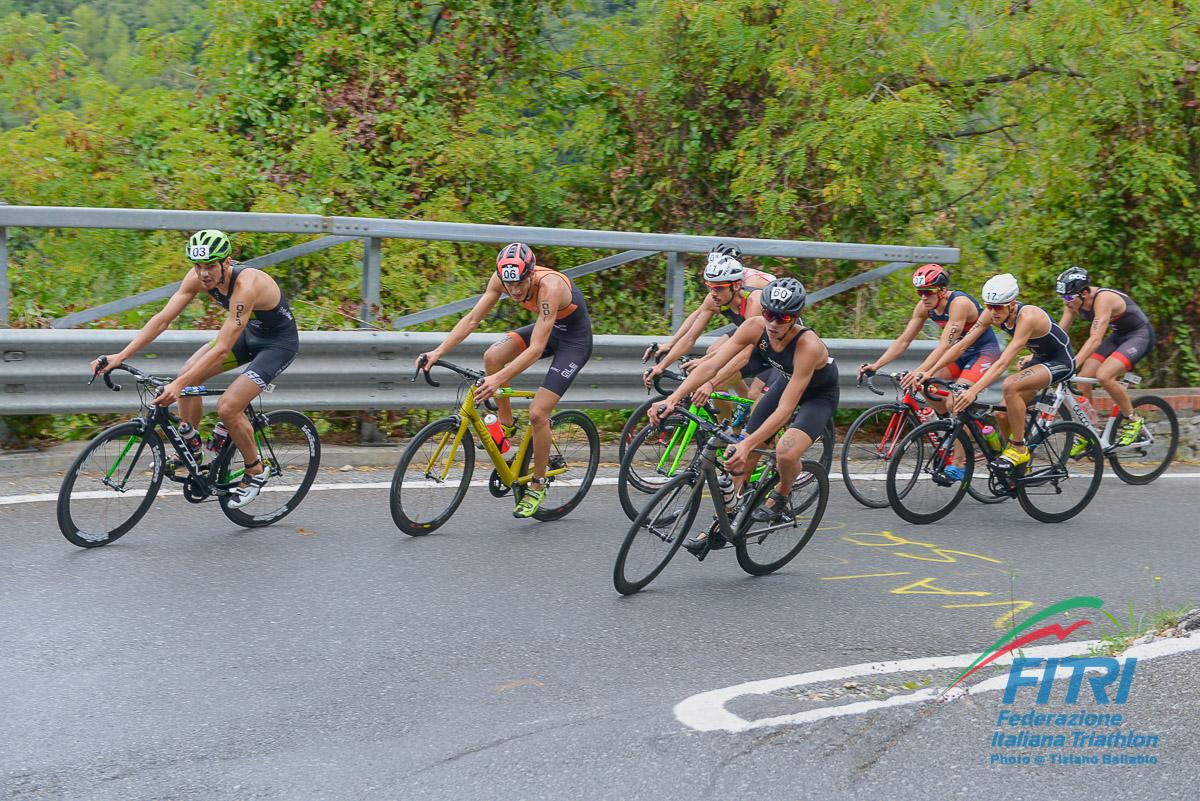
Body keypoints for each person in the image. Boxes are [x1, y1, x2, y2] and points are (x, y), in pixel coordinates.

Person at [91, 230, 300, 508]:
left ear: (226, 262)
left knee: (228, 406)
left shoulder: (246, 285)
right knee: (187, 376)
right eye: (198, 266)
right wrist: (120, 355)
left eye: (210, 266)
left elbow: (223, 348)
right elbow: (163, 319)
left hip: (277, 345)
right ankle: (193, 447)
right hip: (248, 335)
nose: (203, 274)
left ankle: (256, 471)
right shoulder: (198, 278)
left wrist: (177, 387)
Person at [649, 277, 838, 558]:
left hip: (817, 395)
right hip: (785, 383)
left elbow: (786, 410)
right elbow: (713, 365)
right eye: (769, 314)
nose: (773, 323)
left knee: (785, 451)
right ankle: (723, 522)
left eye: (783, 316)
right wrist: (672, 399)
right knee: (739, 458)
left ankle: (782, 493)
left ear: (796, 317)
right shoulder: (754, 328)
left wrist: (748, 444)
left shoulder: (807, 345)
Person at [416, 242, 593, 519]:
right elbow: (473, 319)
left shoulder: (550, 287)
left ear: (531, 273)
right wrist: (438, 351)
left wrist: (497, 380)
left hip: (574, 342)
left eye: (521, 283)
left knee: (538, 413)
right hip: (547, 329)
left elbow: (536, 350)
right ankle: (507, 426)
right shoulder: (501, 279)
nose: (516, 291)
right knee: (492, 357)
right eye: (510, 285)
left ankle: (537, 485)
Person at [924, 273, 1075, 470]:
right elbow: (961, 346)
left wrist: (972, 391)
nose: (992, 311)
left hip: (1060, 360)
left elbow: (1003, 362)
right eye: (988, 306)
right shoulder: (989, 314)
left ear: (1012, 304)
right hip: (1038, 359)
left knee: (1010, 385)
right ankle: (1013, 463)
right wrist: (930, 371)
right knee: (1002, 415)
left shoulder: (1027, 317)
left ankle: (1019, 449)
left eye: (998, 307)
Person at [643, 244, 776, 400]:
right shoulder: (718, 290)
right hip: (751, 330)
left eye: (718, 287)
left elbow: (744, 351)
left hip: (773, 336)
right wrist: (664, 360)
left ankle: (749, 404)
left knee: (722, 377)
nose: (713, 293)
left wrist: (709, 369)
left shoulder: (753, 287)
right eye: (710, 286)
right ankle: (738, 413)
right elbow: (695, 323)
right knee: (713, 352)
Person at [864, 264, 1002, 412]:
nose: (924, 297)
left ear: (942, 290)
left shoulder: (959, 303)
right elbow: (904, 340)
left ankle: (964, 431)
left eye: (928, 291)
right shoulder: (924, 306)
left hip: (983, 353)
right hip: (959, 353)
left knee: (955, 403)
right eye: (920, 292)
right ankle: (945, 426)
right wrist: (876, 365)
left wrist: (920, 370)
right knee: (924, 386)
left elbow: (945, 345)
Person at [1056, 266, 1155, 447]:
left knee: (1104, 375)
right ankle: (1091, 431)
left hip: (1139, 336)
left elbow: (1095, 339)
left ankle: (1134, 420)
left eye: (1069, 297)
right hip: (1118, 336)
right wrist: (1037, 354)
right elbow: (1060, 334)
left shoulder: (1103, 299)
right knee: (1083, 379)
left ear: (1084, 292)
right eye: (1062, 297)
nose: (1066, 301)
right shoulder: (1073, 302)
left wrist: (1073, 362)